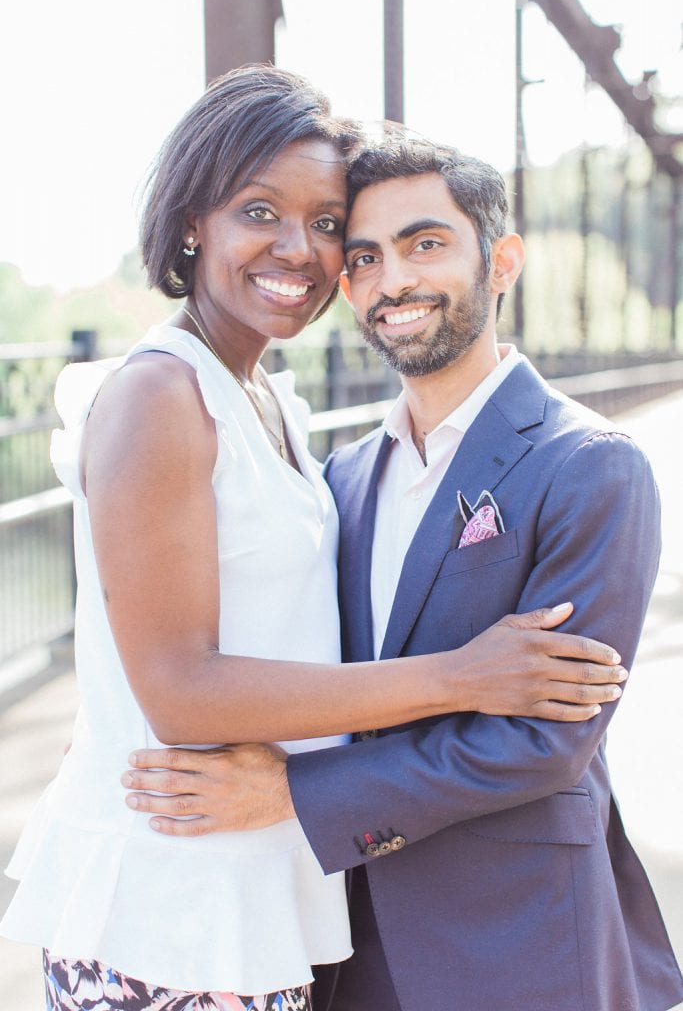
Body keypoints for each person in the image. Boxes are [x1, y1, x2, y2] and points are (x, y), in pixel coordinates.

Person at [1, 69, 625, 1011]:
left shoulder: (273, 406)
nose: (301, 249)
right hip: (174, 913)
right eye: (260, 211)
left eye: (328, 223)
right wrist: (462, 675)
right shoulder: (160, 395)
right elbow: (177, 693)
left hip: (256, 894)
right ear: (190, 223)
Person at [122, 134, 683, 1011]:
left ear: (500, 262)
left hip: (515, 941)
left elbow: (546, 741)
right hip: (348, 948)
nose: (393, 282)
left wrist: (295, 795)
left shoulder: (591, 465)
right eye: (364, 258)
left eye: (425, 244)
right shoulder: (340, 479)